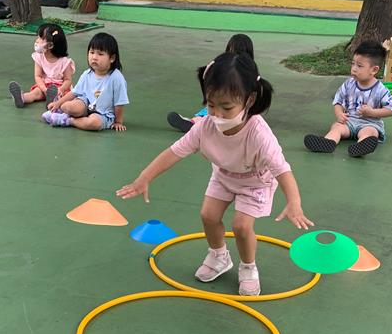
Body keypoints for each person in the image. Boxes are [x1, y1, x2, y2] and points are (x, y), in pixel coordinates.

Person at [116, 51, 313, 297]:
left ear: (250, 100)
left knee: (241, 226)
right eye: (211, 105)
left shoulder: (259, 136)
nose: (217, 114)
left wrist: (294, 202)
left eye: (227, 107)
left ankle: (248, 267)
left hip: (255, 182)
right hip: (223, 175)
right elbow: (174, 152)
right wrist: (144, 177)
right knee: (208, 215)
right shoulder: (204, 127)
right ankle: (219, 256)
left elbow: (283, 170)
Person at [304, 41, 392, 158]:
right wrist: (339, 114)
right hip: (348, 122)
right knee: (336, 127)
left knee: (370, 132)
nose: (353, 69)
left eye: (359, 66)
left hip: (370, 123)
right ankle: (328, 142)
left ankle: (361, 146)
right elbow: (338, 101)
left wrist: (372, 112)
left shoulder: (380, 89)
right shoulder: (349, 84)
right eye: (353, 64)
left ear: (374, 70)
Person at [167, 34, 255, 133]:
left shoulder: (233, 69)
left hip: (235, 108)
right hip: (236, 107)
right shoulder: (247, 69)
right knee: (213, 110)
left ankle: (195, 123)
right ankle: (195, 122)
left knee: (214, 111)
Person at [42, 32, 128, 131]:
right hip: (85, 104)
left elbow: (119, 103)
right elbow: (74, 93)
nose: (94, 57)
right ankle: (58, 112)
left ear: (112, 58)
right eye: (92, 52)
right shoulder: (87, 74)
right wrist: (58, 103)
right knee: (67, 106)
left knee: (94, 123)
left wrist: (118, 122)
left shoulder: (116, 78)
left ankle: (67, 120)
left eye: (100, 54)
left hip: (103, 113)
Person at [8, 23, 75, 107]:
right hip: (44, 85)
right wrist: (44, 89)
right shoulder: (39, 57)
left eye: (41, 38)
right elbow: (38, 76)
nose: (37, 40)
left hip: (60, 87)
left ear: (50, 45)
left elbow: (68, 80)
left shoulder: (64, 62)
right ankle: (22, 98)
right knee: (35, 93)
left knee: (63, 97)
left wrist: (61, 89)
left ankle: (54, 101)